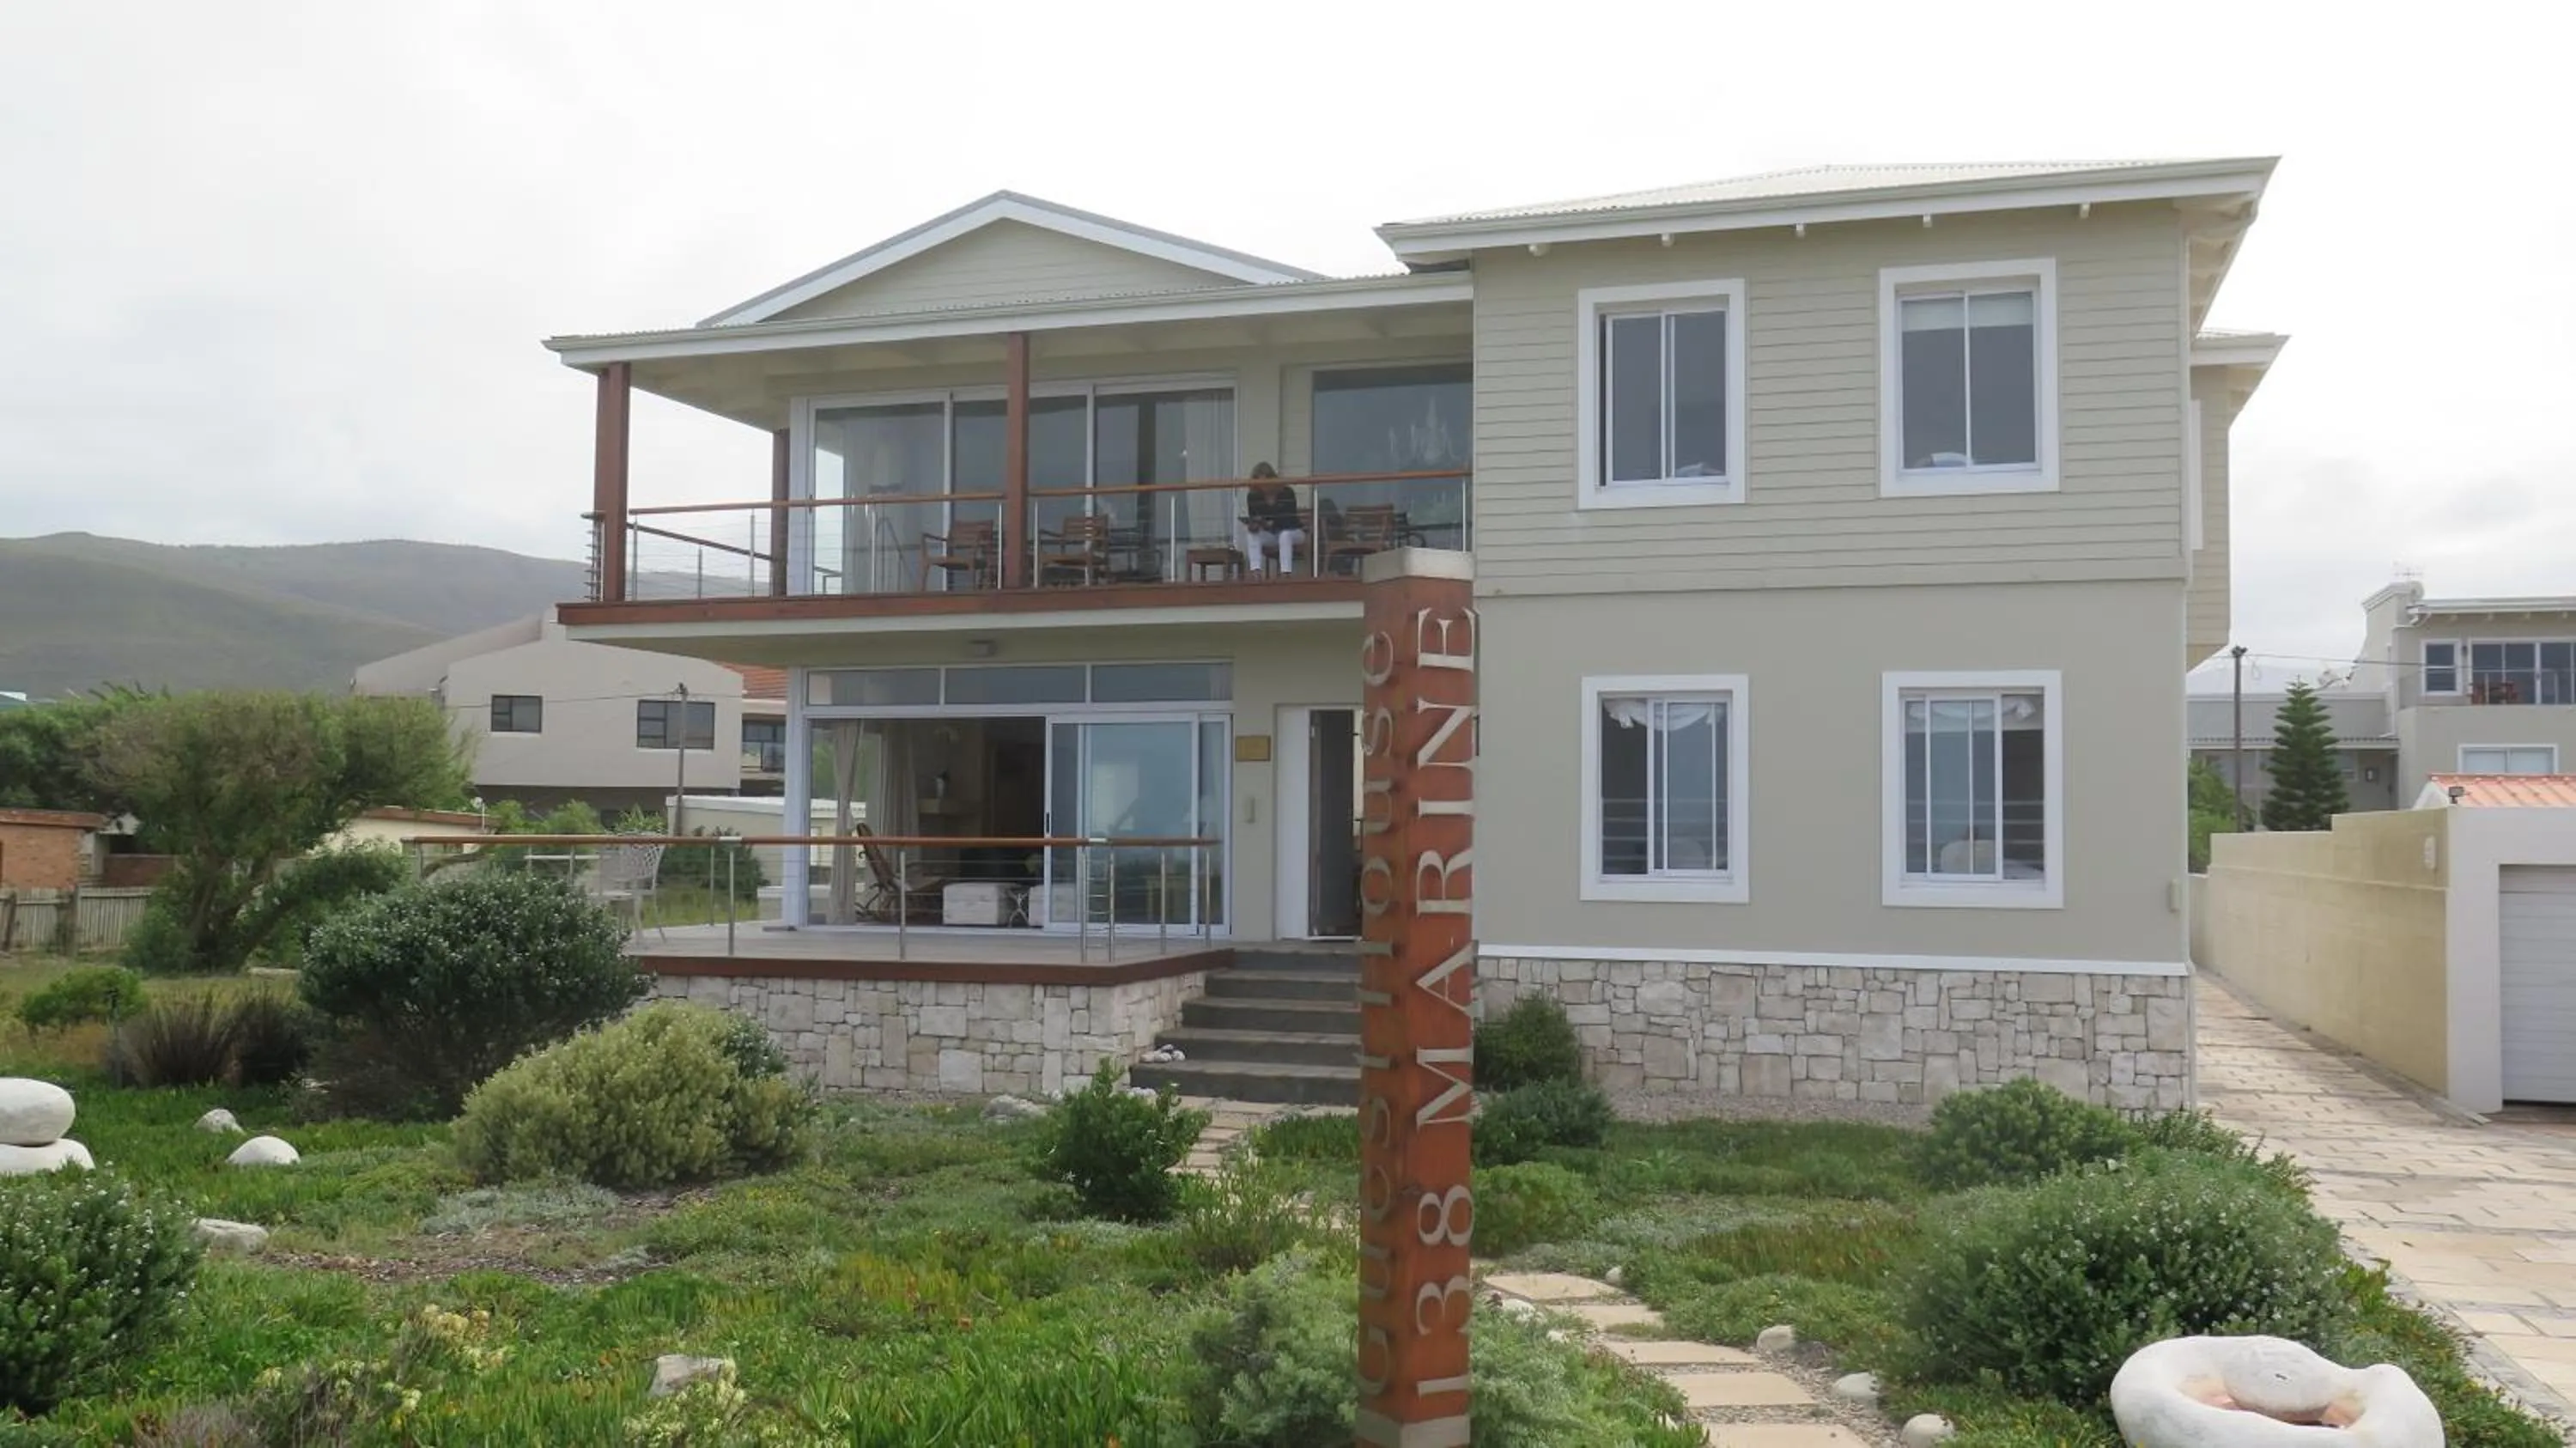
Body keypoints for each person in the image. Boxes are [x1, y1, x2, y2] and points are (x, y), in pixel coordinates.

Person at [1241, 463, 1305, 577]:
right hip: (1270, 533)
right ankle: (1256, 571)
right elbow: (1253, 516)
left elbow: (1291, 519)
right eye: (1260, 484)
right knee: (1252, 535)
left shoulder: (1286, 492)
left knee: (1285, 535)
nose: (1264, 487)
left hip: (1293, 531)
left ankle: (1286, 573)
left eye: (1266, 482)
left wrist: (1273, 523)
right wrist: (1254, 525)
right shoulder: (1253, 496)